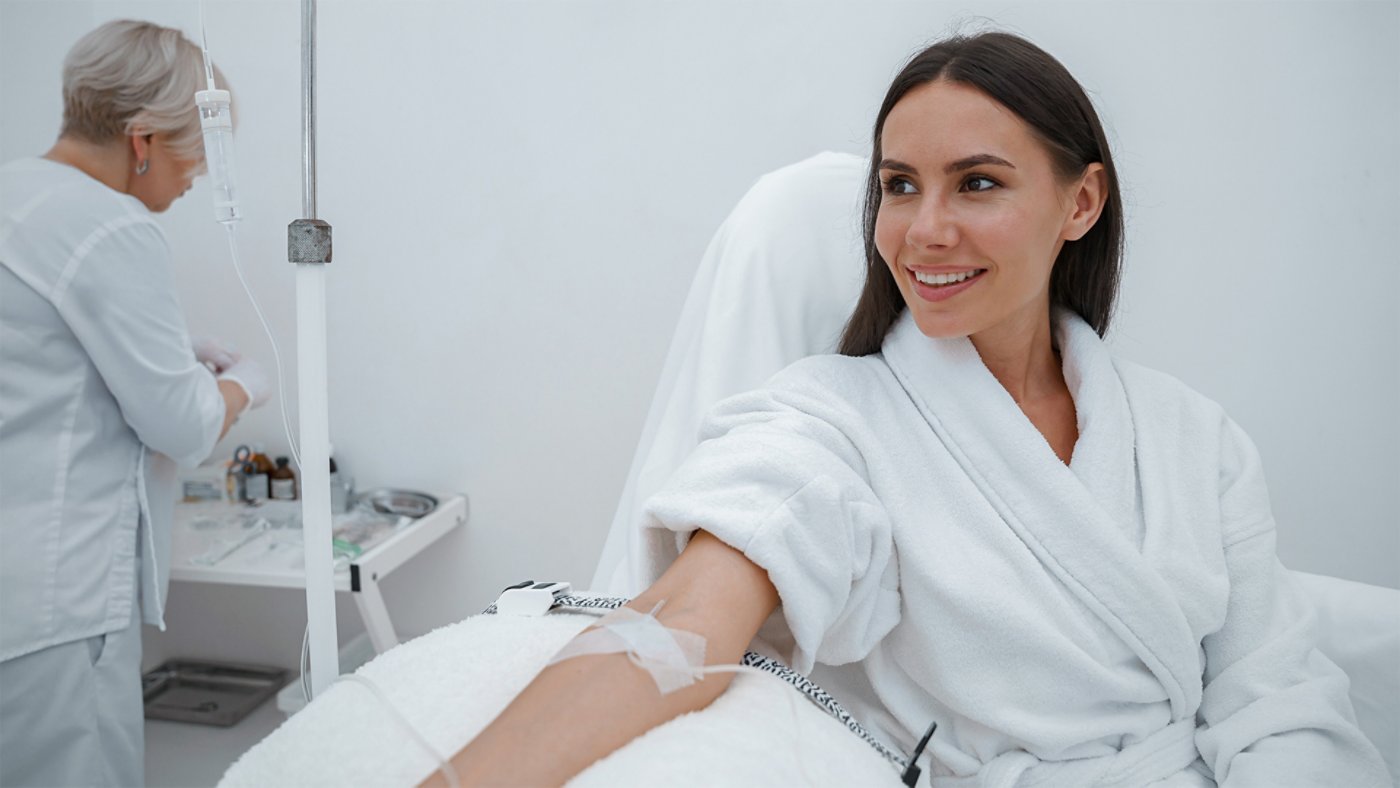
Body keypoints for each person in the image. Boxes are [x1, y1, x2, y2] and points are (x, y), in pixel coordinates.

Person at [432, 32, 1389, 786]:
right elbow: (682, 618)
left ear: (1081, 202)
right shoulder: (832, 424)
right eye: (899, 186)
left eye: (977, 183)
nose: (924, 230)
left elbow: (1277, 700)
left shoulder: (1195, 440)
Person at [0, 19, 269, 787]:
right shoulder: (111, 225)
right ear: (142, 138)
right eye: (196, 151)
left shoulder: (15, 192)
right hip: (59, 605)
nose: (199, 178)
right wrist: (245, 381)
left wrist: (170, 353)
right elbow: (184, 427)